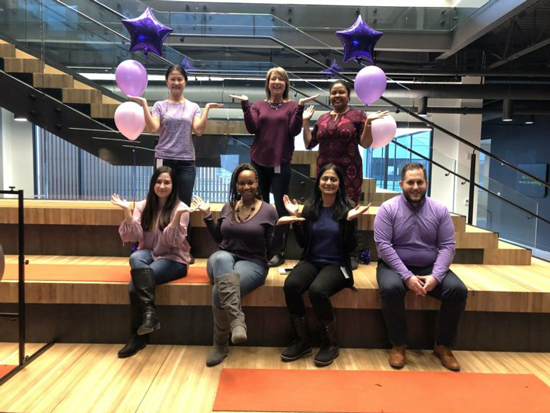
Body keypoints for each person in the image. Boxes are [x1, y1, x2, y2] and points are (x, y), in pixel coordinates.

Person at [193, 163, 294, 367]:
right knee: (221, 259)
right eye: (241, 183)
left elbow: (273, 248)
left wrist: (284, 226)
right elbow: (218, 238)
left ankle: (220, 345)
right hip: (223, 258)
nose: (246, 187)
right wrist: (206, 216)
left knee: (219, 290)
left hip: (253, 263)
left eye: (250, 183)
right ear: (236, 185)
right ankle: (238, 322)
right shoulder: (228, 207)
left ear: (257, 184)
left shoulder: (268, 211)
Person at [374, 162, 468, 371]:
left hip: (429, 266)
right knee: (391, 289)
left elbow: (447, 246)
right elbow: (383, 247)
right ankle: (398, 344)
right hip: (393, 266)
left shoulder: (439, 210)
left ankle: (443, 345)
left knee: (458, 290)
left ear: (426, 183)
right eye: (410, 182)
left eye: (419, 182)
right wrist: (407, 276)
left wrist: (436, 276)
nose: (415, 187)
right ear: (401, 184)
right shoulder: (388, 209)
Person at [280, 164, 370, 367]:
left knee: (317, 290)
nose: (329, 183)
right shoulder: (311, 207)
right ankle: (302, 341)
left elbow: (349, 248)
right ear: (318, 182)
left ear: (339, 184)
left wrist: (348, 222)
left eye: (333, 179)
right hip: (312, 261)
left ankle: (330, 343)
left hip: (337, 265)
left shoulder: (348, 208)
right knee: (291, 285)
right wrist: (296, 218)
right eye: (325, 179)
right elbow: (303, 244)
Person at [130, 65, 222, 262]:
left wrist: (206, 109)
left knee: (184, 206)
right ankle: (158, 246)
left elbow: (198, 130)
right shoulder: (160, 106)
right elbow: (153, 128)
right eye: (172, 79)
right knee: (161, 203)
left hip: (186, 160)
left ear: (185, 82)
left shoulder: (193, 107)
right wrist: (145, 105)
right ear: (167, 82)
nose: (176, 82)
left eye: (179, 79)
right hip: (164, 158)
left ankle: (183, 249)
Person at [229, 67, 319, 267]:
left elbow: (294, 131)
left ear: (286, 84)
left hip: (281, 164)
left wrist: (301, 109)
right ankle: (257, 248)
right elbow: (252, 128)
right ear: (268, 83)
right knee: (258, 205)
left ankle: (279, 250)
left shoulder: (293, 106)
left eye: (281, 79)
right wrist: (245, 105)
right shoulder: (259, 105)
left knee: (280, 208)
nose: (277, 82)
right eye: (273, 79)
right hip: (258, 163)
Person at [111, 166, 194, 358]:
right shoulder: (142, 205)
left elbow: (172, 242)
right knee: (135, 257)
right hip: (148, 253)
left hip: (173, 259)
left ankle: (136, 336)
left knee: (135, 285)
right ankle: (150, 314)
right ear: (152, 184)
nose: (162, 186)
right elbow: (135, 236)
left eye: (167, 182)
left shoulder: (181, 209)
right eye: (159, 181)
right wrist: (127, 211)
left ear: (173, 185)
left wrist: (175, 219)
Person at [302, 80, 388, 205]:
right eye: (333, 93)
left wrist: (368, 123)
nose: (337, 95)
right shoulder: (322, 118)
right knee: (323, 208)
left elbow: (365, 144)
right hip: (325, 173)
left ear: (348, 97)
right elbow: (309, 144)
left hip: (349, 173)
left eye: (341, 92)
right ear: (330, 96)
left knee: (348, 212)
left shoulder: (358, 115)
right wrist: (305, 122)